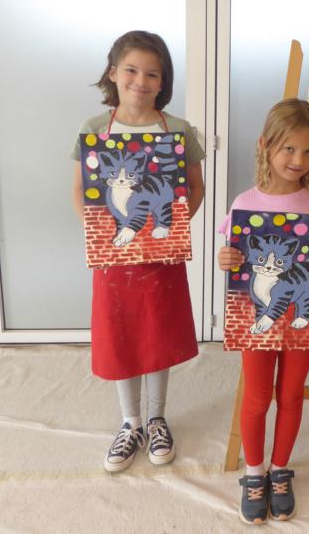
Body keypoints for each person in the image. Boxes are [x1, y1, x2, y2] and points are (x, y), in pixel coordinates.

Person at [71, 31, 205, 472]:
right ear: (113, 73)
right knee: (121, 334)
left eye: (152, 74)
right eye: (131, 70)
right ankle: (130, 422)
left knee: (157, 333)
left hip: (161, 257)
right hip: (113, 259)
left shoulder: (179, 130)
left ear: (163, 81)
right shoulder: (95, 128)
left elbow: (195, 187)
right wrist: (99, 233)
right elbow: (81, 192)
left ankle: (156, 417)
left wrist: (172, 229)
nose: (140, 81)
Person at [217, 99, 309, 525]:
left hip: (301, 319)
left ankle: (280, 470)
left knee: (291, 395)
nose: (298, 160)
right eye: (288, 149)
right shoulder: (245, 203)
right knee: (258, 396)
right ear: (265, 145)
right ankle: (254, 472)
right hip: (255, 318)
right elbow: (232, 255)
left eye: (308, 151)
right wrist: (225, 258)